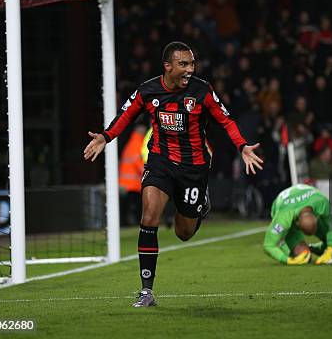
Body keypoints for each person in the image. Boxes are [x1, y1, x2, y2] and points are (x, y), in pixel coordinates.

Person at [83, 42, 263, 307]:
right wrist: (105, 137)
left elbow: (225, 120)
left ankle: (200, 205)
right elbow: (126, 115)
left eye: (192, 64)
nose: (190, 69)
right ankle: (146, 291)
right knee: (149, 217)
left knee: (184, 232)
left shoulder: (202, 91)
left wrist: (243, 147)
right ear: (167, 66)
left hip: (194, 169)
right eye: (184, 64)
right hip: (161, 162)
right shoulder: (148, 90)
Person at [263, 184, 332, 265]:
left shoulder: (321, 202)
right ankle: (285, 243)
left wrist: (330, 249)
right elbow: (268, 245)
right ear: (296, 224)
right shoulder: (283, 217)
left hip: (307, 199)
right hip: (285, 207)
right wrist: (287, 260)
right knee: (302, 256)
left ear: (316, 217)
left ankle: (311, 248)